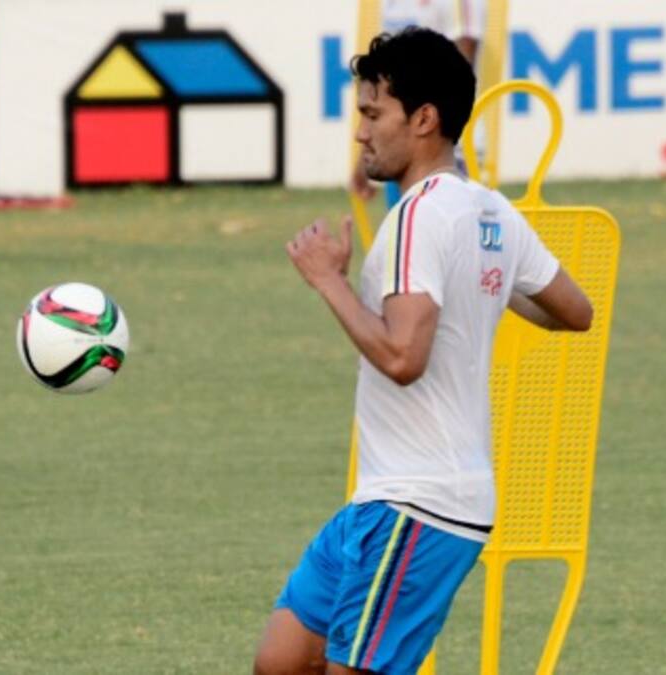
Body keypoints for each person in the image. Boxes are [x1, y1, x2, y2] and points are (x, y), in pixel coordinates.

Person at [254, 28, 592, 675]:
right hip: (385, 497)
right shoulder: (489, 211)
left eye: (373, 114)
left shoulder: (416, 217)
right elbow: (575, 311)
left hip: (420, 502)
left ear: (424, 119)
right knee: (282, 660)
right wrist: (485, 285)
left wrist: (328, 280)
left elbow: (403, 358)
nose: (361, 133)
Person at [351, 0, 486, 208]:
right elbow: (384, 90)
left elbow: (459, 74)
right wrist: (369, 149)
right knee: (406, 223)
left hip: (451, 149)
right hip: (400, 144)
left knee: (444, 221)